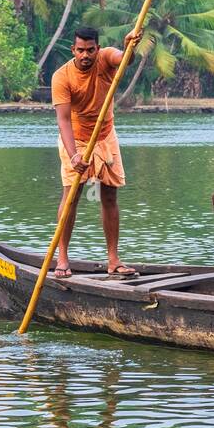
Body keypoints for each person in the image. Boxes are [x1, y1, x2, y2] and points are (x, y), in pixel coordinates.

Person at [51, 25, 142, 278]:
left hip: (105, 136)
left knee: (110, 197)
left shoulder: (105, 58)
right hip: (77, 141)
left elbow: (123, 60)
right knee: (72, 197)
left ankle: (113, 260)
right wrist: (74, 156)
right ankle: (62, 259)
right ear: (73, 50)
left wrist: (129, 47)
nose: (86, 55)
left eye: (90, 50)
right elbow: (63, 121)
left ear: (97, 48)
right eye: (80, 50)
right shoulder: (62, 77)